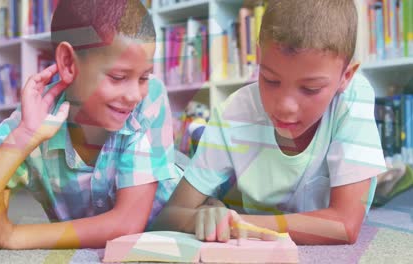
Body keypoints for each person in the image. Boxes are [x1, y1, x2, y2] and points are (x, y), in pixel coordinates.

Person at [0, 0, 180, 253]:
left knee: (202, 202)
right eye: (118, 77)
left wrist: (13, 235)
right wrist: (24, 137)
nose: (134, 94)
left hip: (175, 206)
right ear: (68, 63)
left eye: (143, 76)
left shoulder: (150, 97)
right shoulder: (32, 120)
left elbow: (127, 224)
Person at [152, 0, 386, 245]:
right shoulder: (233, 113)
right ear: (259, 56)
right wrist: (201, 218)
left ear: (345, 77)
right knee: (201, 180)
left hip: (268, 182)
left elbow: (345, 225)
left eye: (310, 88)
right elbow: (168, 216)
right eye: (270, 80)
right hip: (247, 160)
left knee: (388, 185)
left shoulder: (354, 96)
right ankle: (202, 138)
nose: (285, 106)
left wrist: (236, 223)